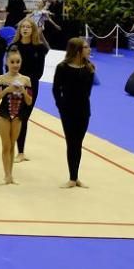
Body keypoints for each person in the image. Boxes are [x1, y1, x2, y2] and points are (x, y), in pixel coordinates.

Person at [53, 38, 94, 188]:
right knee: (72, 143)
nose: (89, 50)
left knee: (78, 143)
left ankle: (75, 177)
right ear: (77, 50)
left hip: (83, 110)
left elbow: (88, 91)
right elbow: (56, 89)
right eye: (85, 47)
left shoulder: (89, 68)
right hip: (68, 111)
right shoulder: (62, 68)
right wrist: (61, 106)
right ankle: (72, 177)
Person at [0, 47, 33, 185]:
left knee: (12, 145)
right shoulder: (1, 79)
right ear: (7, 62)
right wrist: (7, 91)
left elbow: (29, 101)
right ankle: (6, 175)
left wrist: (23, 91)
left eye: (18, 62)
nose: (15, 65)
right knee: (6, 145)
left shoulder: (26, 80)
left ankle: (11, 175)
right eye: (12, 62)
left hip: (18, 115)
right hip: (4, 113)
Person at [12, 17, 49, 162]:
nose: (25, 29)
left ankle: (21, 152)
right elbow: (8, 67)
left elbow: (39, 72)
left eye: (28, 27)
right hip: (15, 85)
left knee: (24, 117)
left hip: (31, 86)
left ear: (33, 30)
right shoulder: (14, 46)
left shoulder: (39, 48)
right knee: (16, 117)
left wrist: (26, 83)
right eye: (23, 27)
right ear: (20, 30)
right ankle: (16, 148)